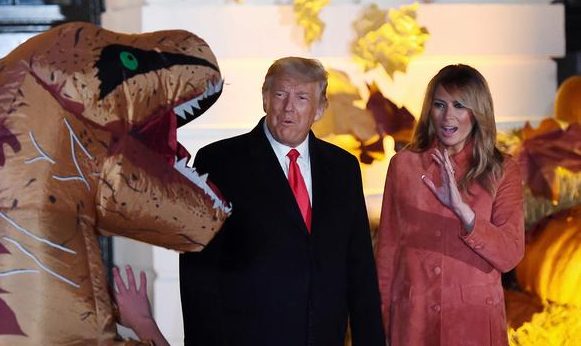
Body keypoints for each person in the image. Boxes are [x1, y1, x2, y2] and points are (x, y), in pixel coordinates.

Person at [115, 56, 385, 346]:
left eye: (302, 97)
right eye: (280, 94)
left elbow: (360, 269)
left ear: (319, 109)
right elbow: (199, 271)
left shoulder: (343, 167)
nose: (288, 107)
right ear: (265, 99)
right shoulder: (219, 161)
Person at [375, 64, 525, 346]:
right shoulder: (403, 166)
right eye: (439, 105)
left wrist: (465, 213)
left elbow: (510, 254)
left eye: (459, 105)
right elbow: (387, 254)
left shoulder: (501, 170)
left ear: (477, 113)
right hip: (413, 324)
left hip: (474, 325)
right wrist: (380, 325)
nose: (448, 116)